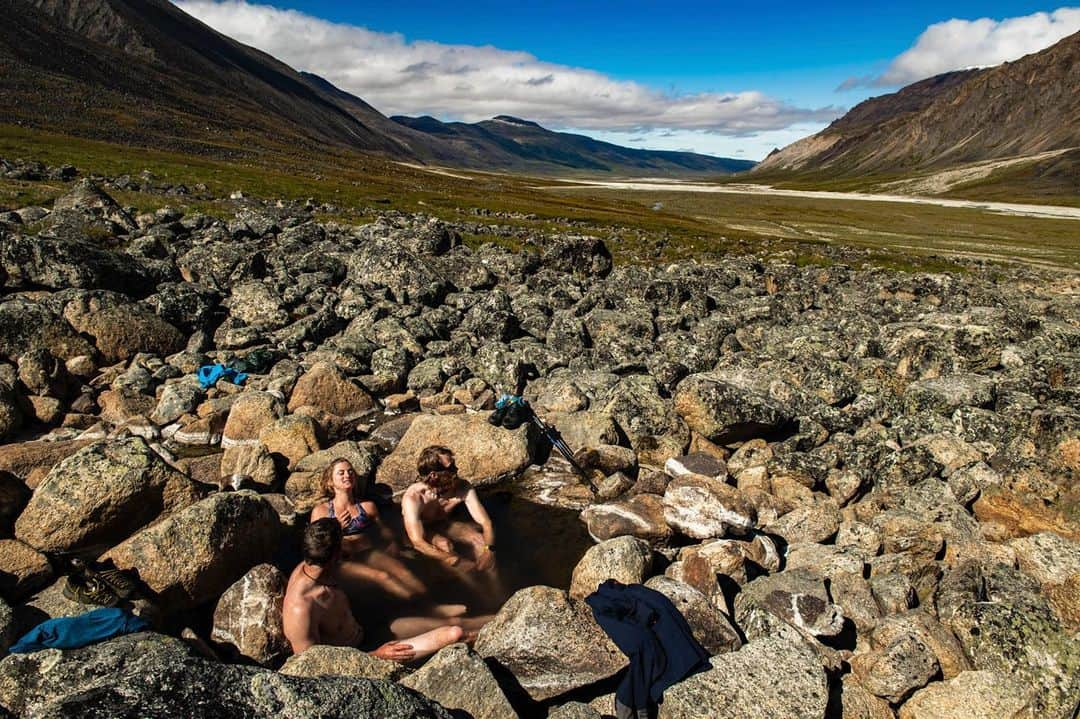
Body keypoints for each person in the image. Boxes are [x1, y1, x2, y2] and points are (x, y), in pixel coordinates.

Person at [283, 519, 486, 658]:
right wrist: (376, 656)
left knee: (457, 621)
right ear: (337, 554)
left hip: (370, 629)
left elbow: (370, 557)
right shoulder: (301, 608)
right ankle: (502, 635)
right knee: (455, 634)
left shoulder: (317, 565)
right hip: (366, 655)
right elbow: (311, 667)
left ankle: (510, 617)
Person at [310, 458, 426, 601]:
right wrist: (337, 527)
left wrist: (394, 545)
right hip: (341, 559)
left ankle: (431, 602)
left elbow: (383, 531)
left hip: (368, 552)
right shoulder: (321, 511)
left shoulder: (367, 506)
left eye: (350, 471)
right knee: (383, 576)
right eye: (341, 473)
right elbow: (315, 546)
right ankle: (431, 610)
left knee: (403, 572)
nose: (347, 475)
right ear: (330, 481)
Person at [400, 446, 497, 574]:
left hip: (445, 524)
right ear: (433, 475)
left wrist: (489, 550)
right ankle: (478, 592)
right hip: (423, 529)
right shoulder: (414, 497)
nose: (456, 469)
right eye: (451, 468)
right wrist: (453, 559)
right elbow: (417, 541)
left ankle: (498, 590)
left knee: (479, 540)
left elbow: (486, 522)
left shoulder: (462, 487)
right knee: (445, 546)